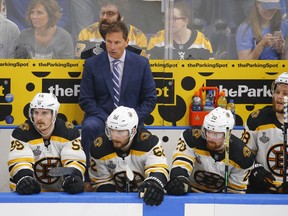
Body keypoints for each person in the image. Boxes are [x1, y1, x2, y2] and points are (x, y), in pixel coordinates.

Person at [79, 20, 157, 181]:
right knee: (89, 126)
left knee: (148, 139)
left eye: (117, 42)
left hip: (132, 119)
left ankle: (146, 180)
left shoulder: (141, 64)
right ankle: (87, 179)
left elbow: (150, 99)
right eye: (108, 42)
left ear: (127, 42)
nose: (112, 47)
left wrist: (129, 120)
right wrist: (110, 121)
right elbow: (86, 99)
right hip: (101, 117)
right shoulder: (92, 64)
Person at [7, 93, 86, 195]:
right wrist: (24, 178)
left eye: (44, 113)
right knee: (25, 185)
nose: (39, 118)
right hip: (30, 193)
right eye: (36, 112)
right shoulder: (21, 133)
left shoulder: (69, 132)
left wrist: (72, 179)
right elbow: (20, 161)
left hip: (61, 193)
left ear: (54, 114)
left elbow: (74, 160)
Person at [89, 106, 168, 206]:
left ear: (133, 130)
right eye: (111, 130)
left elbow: (159, 170)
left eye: (121, 132)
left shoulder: (149, 143)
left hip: (144, 200)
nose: (114, 137)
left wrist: (153, 184)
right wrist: (112, 203)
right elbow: (101, 182)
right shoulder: (99, 149)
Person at [165, 107, 255, 194]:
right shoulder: (191, 138)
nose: (210, 138)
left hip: (220, 199)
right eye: (208, 132)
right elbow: (180, 167)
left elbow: (235, 194)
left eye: (216, 135)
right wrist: (181, 182)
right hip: (190, 193)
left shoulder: (242, 156)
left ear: (228, 134)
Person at [242, 72, 288, 194]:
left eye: (285, 94)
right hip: (263, 190)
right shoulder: (257, 119)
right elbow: (243, 154)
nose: (279, 97)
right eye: (277, 92)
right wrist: (255, 169)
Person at [76, 0, 147, 59]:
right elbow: (80, 62)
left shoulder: (137, 36)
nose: (104, 17)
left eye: (110, 14)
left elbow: (141, 66)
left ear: (122, 16)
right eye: (102, 13)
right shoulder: (87, 33)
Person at [147, 1, 214, 60]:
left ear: (185, 21)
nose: (169, 22)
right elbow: (150, 70)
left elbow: (210, 70)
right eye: (166, 18)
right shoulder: (156, 40)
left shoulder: (202, 41)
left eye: (173, 18)